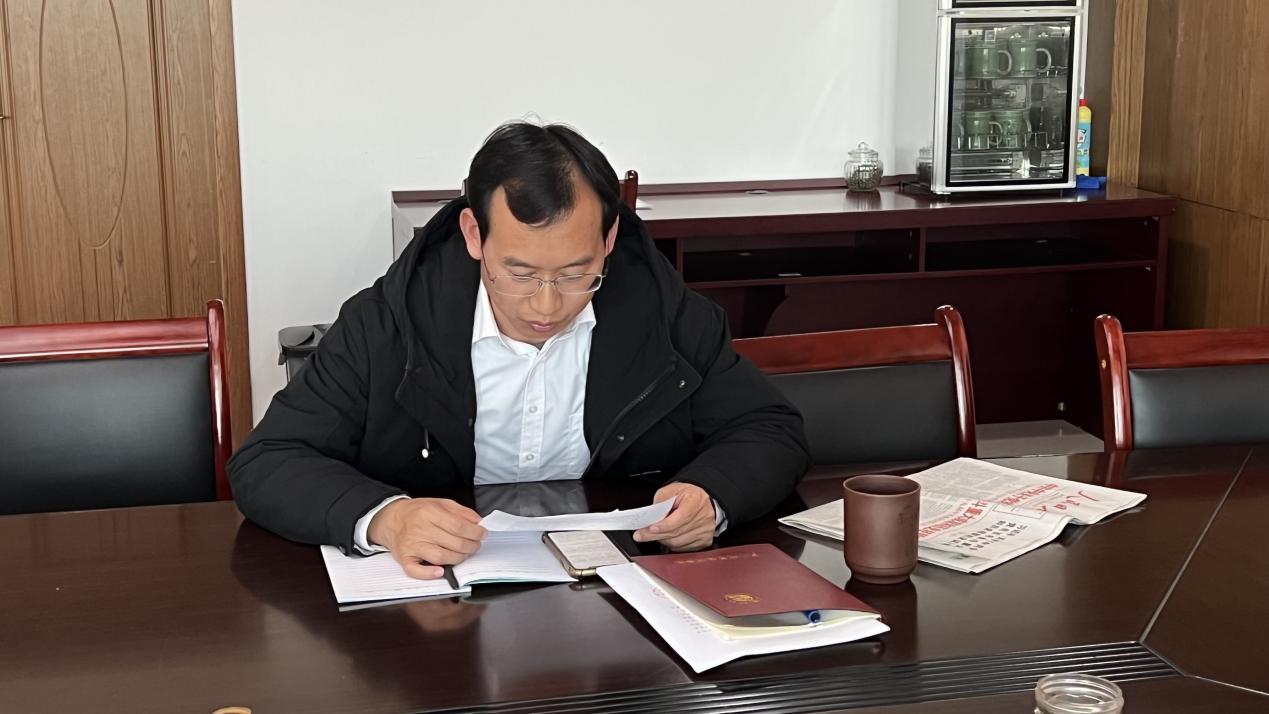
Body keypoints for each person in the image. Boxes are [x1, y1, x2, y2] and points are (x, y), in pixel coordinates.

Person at [229, 121, 810, 579]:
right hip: (440, 611)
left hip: (614, 595)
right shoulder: (388, 324)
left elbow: (769, 429)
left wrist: (712, 496)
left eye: (577, 273)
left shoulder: (665, 314)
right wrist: (387, 518)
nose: (547, 305)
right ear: (474, 236)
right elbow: (268, 461)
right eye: (520, 273)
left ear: (609, 240)